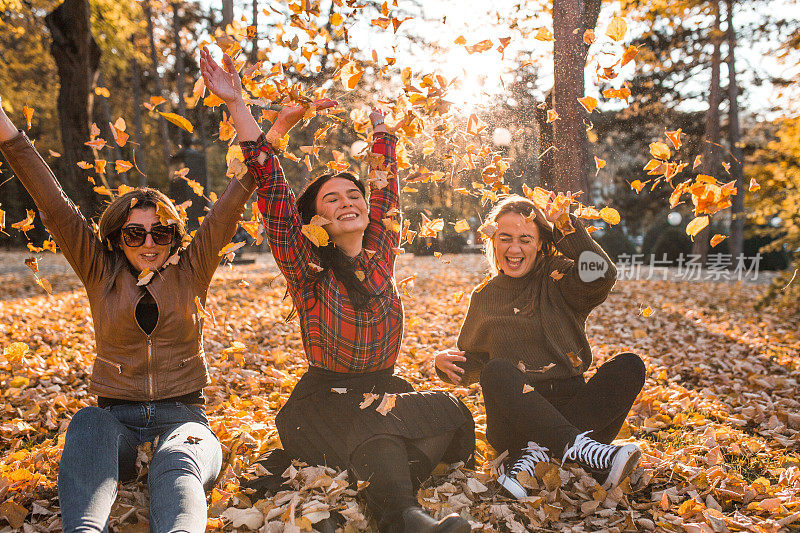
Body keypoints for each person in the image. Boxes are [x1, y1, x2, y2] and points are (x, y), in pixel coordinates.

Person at [199, 47, 475, 533]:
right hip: (323, 403)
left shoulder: (382, 250)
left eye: (354, 195)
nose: (348, 201)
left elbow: (385, 184)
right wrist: (239, 105)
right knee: (379, 426)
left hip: (386, 392)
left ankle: (361, 483)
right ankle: (405, 519)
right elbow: (272, 187)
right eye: (332, 198)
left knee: (451, 412)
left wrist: (383, 129)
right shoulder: (306, 266)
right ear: (317, 219)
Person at [0, 57, 281, 529]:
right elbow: (51, 201)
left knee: (181, 461)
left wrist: (240, 107)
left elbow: (241, 190)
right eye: (135, 234)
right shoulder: (97, 268)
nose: (149, 243)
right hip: (117, 423)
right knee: (87, 424)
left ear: (174, 234)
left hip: (185, 417)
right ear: (116, 238)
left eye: (161, 232)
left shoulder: (193, 268)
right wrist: (8, 132)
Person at [434, 194, 646, 499]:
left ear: (540, 242)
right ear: (493, 241)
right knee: (496, 370)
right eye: (505, 238)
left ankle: (543, 457)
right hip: (515, 423)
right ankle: (586, 454)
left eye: (525, 239)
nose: (515, 248)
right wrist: (444, 364)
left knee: (630, 365)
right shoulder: (484, 296)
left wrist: (565, 226)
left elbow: (602, 274)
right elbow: (475, 363)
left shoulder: (559, 277)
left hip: (575, 409)